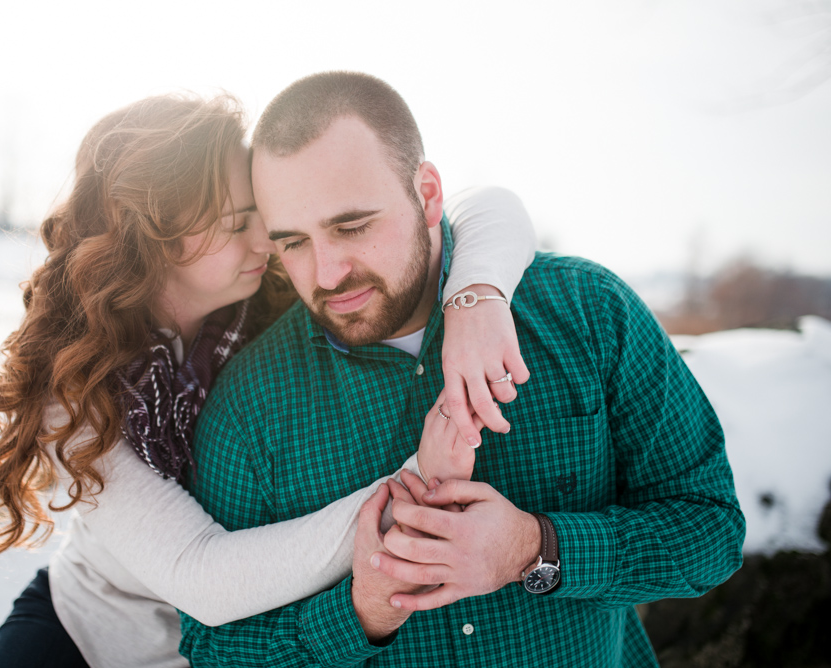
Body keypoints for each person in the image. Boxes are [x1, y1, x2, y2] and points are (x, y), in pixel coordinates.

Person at [179, 71, 746, 667]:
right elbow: (212, 649)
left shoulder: (588, 311)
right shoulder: (248, 405)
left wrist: (536, 547)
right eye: (293, 242)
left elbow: (709, 530)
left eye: (352, 227)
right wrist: (360, 614)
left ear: (426, 194)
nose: (325, 274)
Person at [0, 92, 537, 667]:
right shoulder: (79, 387)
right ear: (155, 240)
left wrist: (477, 297)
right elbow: (201, 575)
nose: (267, 241)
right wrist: (416, 485)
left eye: (266, 220)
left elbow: (487, 206)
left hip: (246, 646)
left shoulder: (272, 295)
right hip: (89, 636)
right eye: (238, 223)